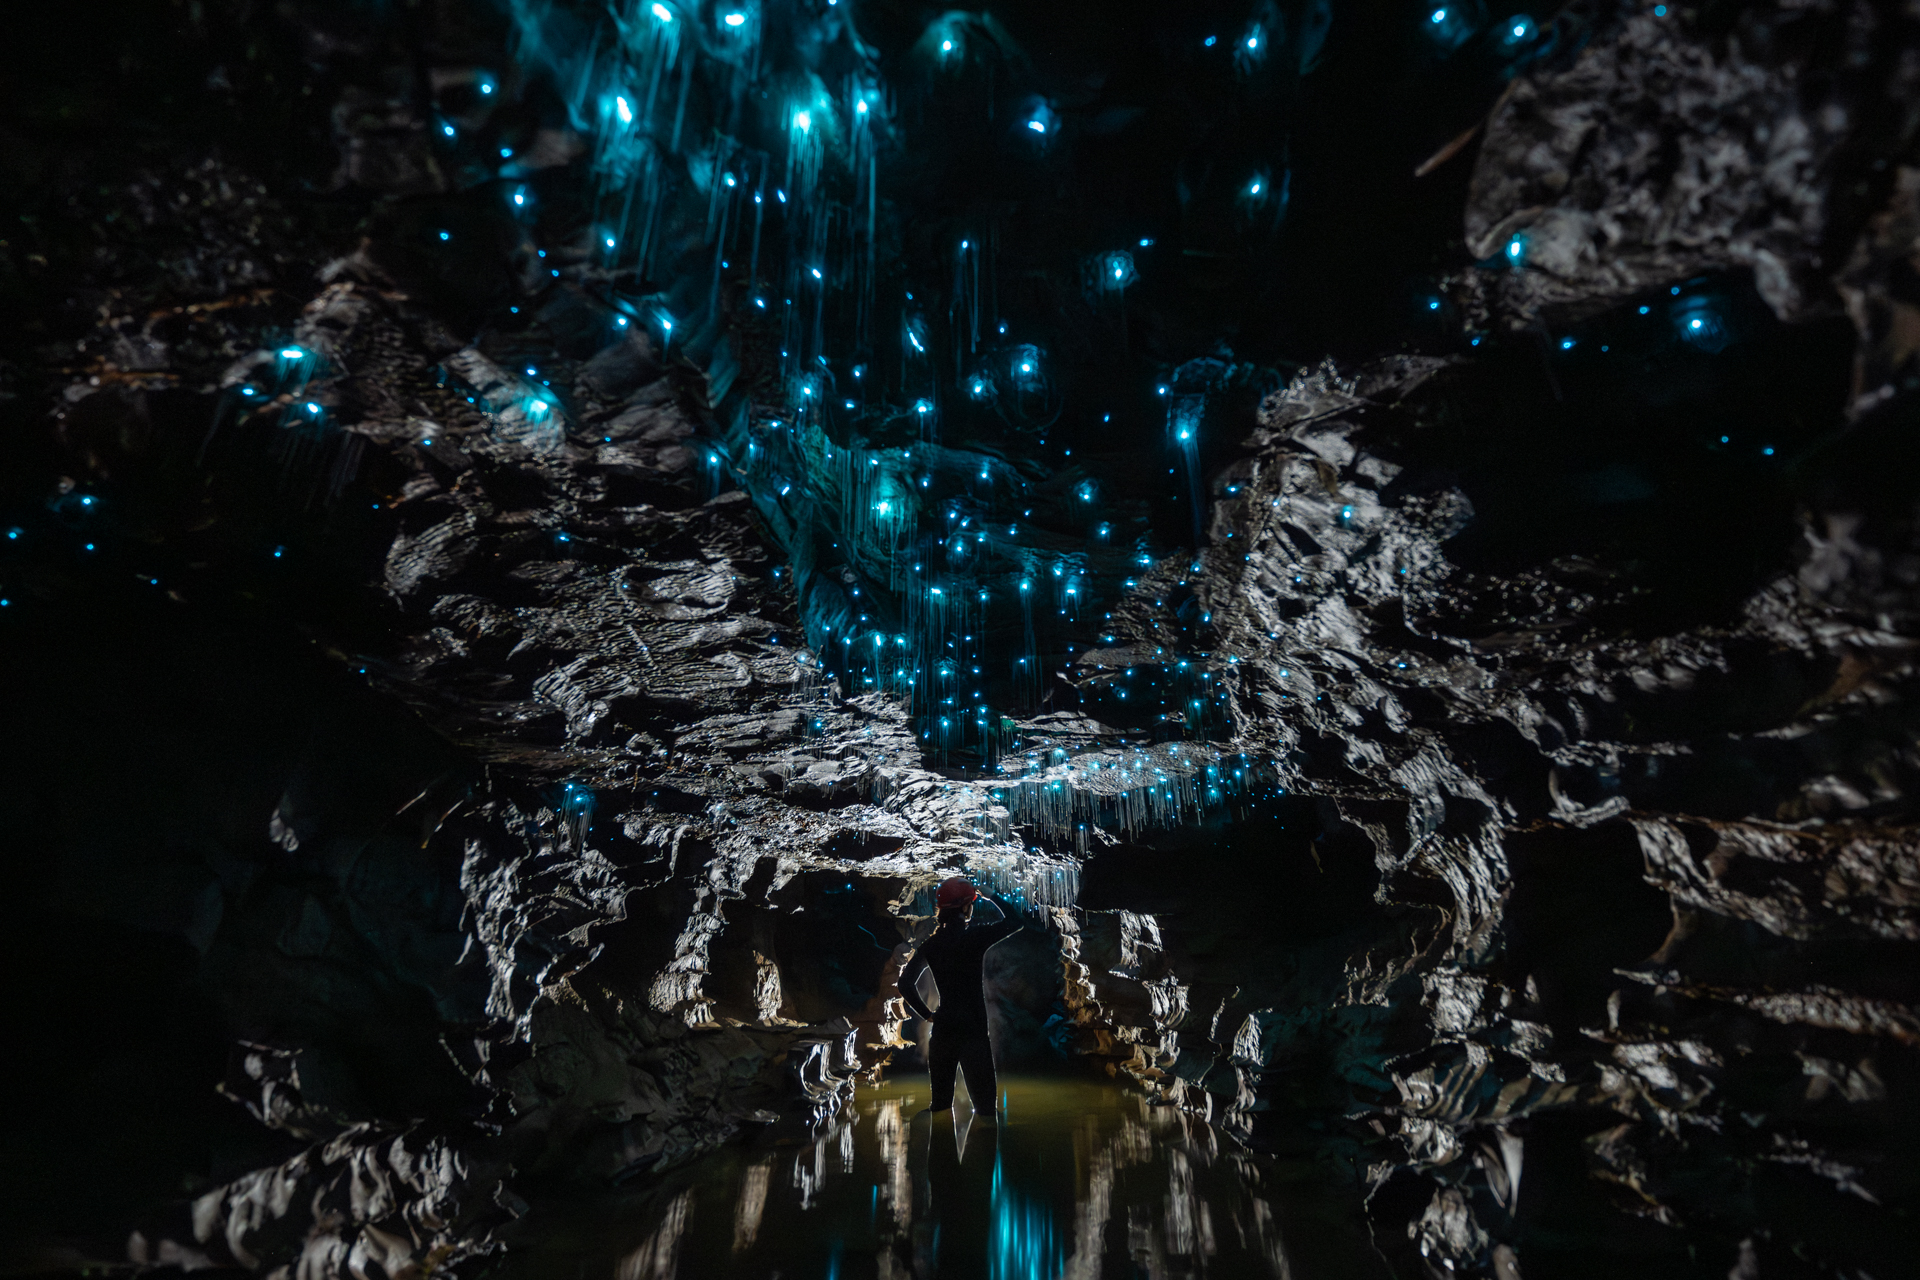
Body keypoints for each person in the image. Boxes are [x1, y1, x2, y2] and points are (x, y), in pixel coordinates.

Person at [898, 876, 1033, 1121]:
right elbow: (1016, 922)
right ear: (965, 907)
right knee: (985, 1112)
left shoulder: (932, 945)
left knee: (940, 1107)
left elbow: (905, 983)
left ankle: (940, 1144)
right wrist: (992, 896)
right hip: (973, 1032)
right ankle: (983, 1143)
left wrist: (927, 1014)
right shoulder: (975, 937)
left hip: (943, 1032)